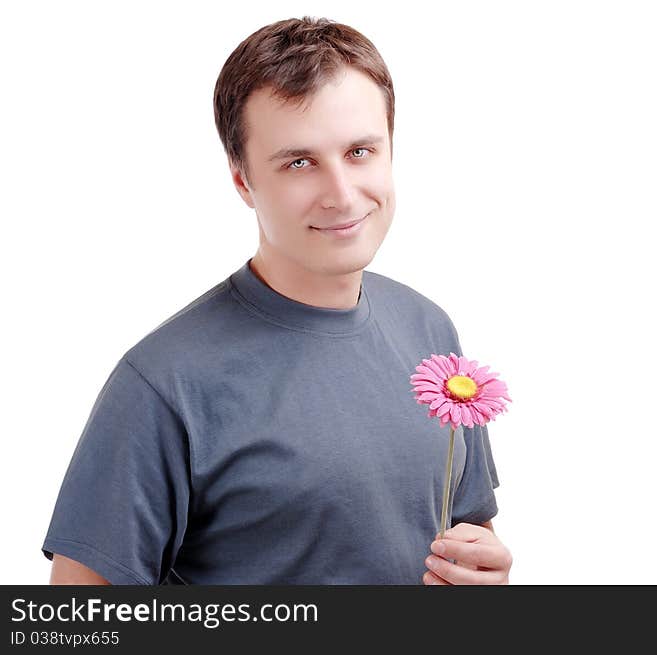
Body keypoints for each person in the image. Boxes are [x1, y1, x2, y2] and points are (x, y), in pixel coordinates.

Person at [42, 16, 512, 585]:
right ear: (242, 181)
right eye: (299, 162)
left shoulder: (429, 330)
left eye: (361, 151)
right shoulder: (163, 384)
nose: (342, 195)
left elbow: (472, 532)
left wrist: (482, 575)